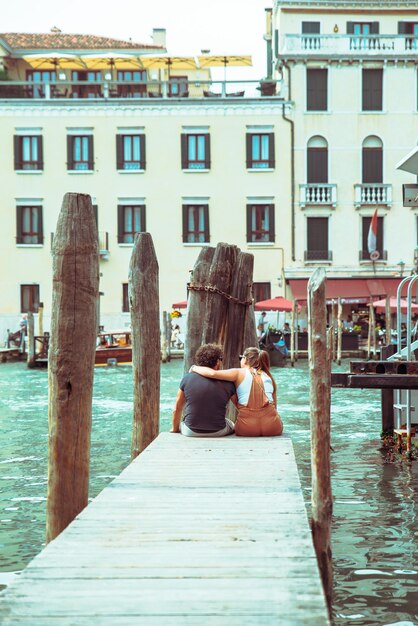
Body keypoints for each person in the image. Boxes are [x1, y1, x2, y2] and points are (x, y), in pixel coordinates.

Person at [191, 347, 283, 437]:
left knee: (229, 384)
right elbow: (275, 407)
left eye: (241, 358)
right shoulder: (269, 377)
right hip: (273, 427)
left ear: (245, 359)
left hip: (247, 428)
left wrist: (194, 368)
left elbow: (213, 374)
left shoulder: (238, 373)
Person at [171, 343, 236, 437]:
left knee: (183, 423)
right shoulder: (228, 382)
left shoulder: (187, 378)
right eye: (221, 359)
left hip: (190, 431)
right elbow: (241, 408)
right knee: (230, 423)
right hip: (218, 431)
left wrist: (174, 429)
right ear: (218, 362)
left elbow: (177, 408)